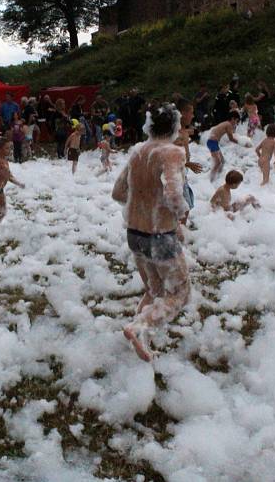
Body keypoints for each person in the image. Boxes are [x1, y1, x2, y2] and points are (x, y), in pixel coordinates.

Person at [112, 104, 190, 362]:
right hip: (159, 235)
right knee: (180, 294)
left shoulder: (138, 152)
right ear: (175, 127)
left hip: (134, 233)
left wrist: (144, 203)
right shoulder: (172, 152)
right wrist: (181, 214)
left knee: (155, 290)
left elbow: (119, 192)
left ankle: (140, 338)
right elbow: (173, 194)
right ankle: (137, 327)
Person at [0, 138, 24, 228]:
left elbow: (9, 176)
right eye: (7, 148)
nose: (10, 150)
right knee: (0, 212)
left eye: (10, 148)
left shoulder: (4, 161)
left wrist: (19, 183)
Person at [207, 110, 241, 182]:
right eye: (236, 120)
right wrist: (241, 143)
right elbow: (231, 138)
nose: (236, 123)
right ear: (232, 118)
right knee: (218, 162)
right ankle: (211, 180)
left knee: (222, 161)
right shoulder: (228, 124)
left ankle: (218, 177)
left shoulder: (226, 123)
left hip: (213, 142)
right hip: (212, 142)